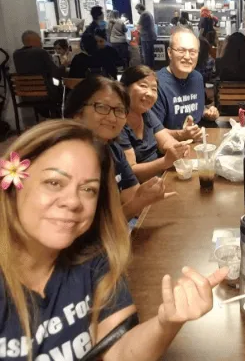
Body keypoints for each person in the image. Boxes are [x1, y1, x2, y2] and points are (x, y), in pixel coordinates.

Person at [0, 119, 228, 361]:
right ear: (13, 184)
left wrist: (168, 322)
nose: (73, 201)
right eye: (54, 183)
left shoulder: (94, 258)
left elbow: (117, 351)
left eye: (88, 189)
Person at [64, 75, 176, 220]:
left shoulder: (113, 150)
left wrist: (144, 198)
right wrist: (139, 202)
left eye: (119, 110)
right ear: (77, 113)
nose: (112, 118)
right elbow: (93, 232)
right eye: (102, 107)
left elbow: (133, 201)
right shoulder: (66, 160)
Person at [118, 66, 190, 182]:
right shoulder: (118, 122)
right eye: (143, 86)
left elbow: (165, 141)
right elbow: (131, 173)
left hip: (160, 178)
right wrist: (165, 161)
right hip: (139, 190)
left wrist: (178, 149)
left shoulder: (146, 113)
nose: (150, 93)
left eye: (154, 89)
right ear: (124, 88)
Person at [152, 27, 219, 136]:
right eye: (181, 50)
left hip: (198, 141)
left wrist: (207, 112)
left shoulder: (197, 78)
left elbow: (195, 110)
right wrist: (182, 135)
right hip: (170, 148)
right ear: (169, 52)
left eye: (193, 52)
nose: (187, 57)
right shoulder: (156, 83)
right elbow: (153, 132)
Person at [135, 3, 157, 69]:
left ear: (139, 8)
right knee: (151, 55)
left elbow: (139, 25)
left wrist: (136, 27)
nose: (137, 11)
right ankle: (152, 69)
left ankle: (148, 70)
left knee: (147, 55)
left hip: (147, 38)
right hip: (150, 37)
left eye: (137, 9)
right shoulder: (148, 13)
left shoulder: (144, 14)